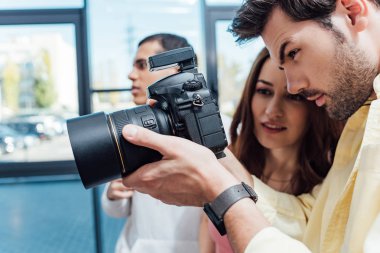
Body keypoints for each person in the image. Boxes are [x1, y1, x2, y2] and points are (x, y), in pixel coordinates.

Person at [119, 0, 380, 252]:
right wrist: (233, 176)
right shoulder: (364, 116)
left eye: (293, 52)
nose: (293, 86)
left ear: (352, 12)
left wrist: (223, 194)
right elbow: (317, 222)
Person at [199, 47, 343, 253]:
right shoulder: (230, 158)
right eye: (264, 92)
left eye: (294, 97)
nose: (272, 111)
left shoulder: (331, 182)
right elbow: (206, 224)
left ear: (315, 104)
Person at [101, 33, 202, 253]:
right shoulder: (130, 129)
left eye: (141, 65)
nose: (130, 75)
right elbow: (115, 210)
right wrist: (113, 193)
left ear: (176, 69)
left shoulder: (222, 132)